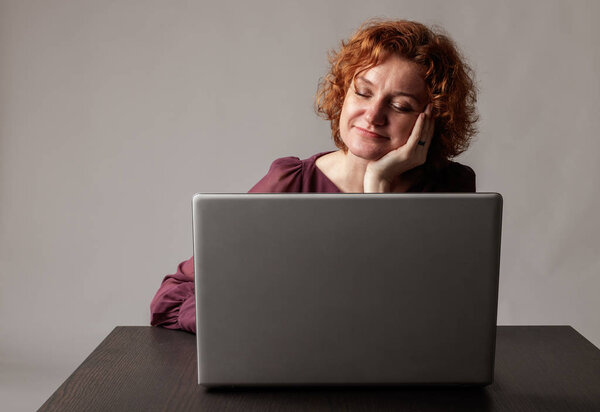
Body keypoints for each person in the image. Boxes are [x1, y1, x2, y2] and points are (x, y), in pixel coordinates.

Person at [150, 19, 479, 333]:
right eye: (363, 92)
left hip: (409, 385)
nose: (374, 115)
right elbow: (171, 298)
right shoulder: (291, 183)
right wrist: (257, 316)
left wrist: (377, 184)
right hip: (298, 378)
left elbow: (409, 318)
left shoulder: (450, 191)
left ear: (433, 122)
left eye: (401, 106)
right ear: (343, 94)